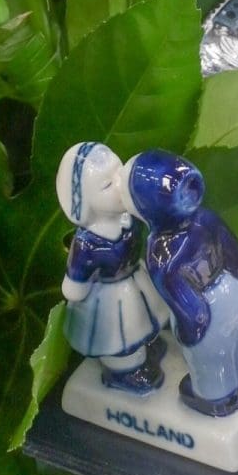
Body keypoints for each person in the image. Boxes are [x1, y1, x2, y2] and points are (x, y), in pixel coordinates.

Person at [128, 148, 238, 415]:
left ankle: (217, 396)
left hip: (206, 308)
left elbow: (179, 297)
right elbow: (237, 257)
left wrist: (192, 329)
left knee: (211, 359)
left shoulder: (159, 251)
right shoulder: (207, 218)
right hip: (234, 291)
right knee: (237, 343)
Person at [56, 142, 168, 393]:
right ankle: (124, 370)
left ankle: (145, 345)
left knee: (145, 318)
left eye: (120, 172)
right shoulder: (87, 242)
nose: (120, 184)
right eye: (108, 185)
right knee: (119, 335)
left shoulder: (129, 218)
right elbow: (76, 280)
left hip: (135, 278)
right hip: (109, 297)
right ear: (84, 201)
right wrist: (75, 289)